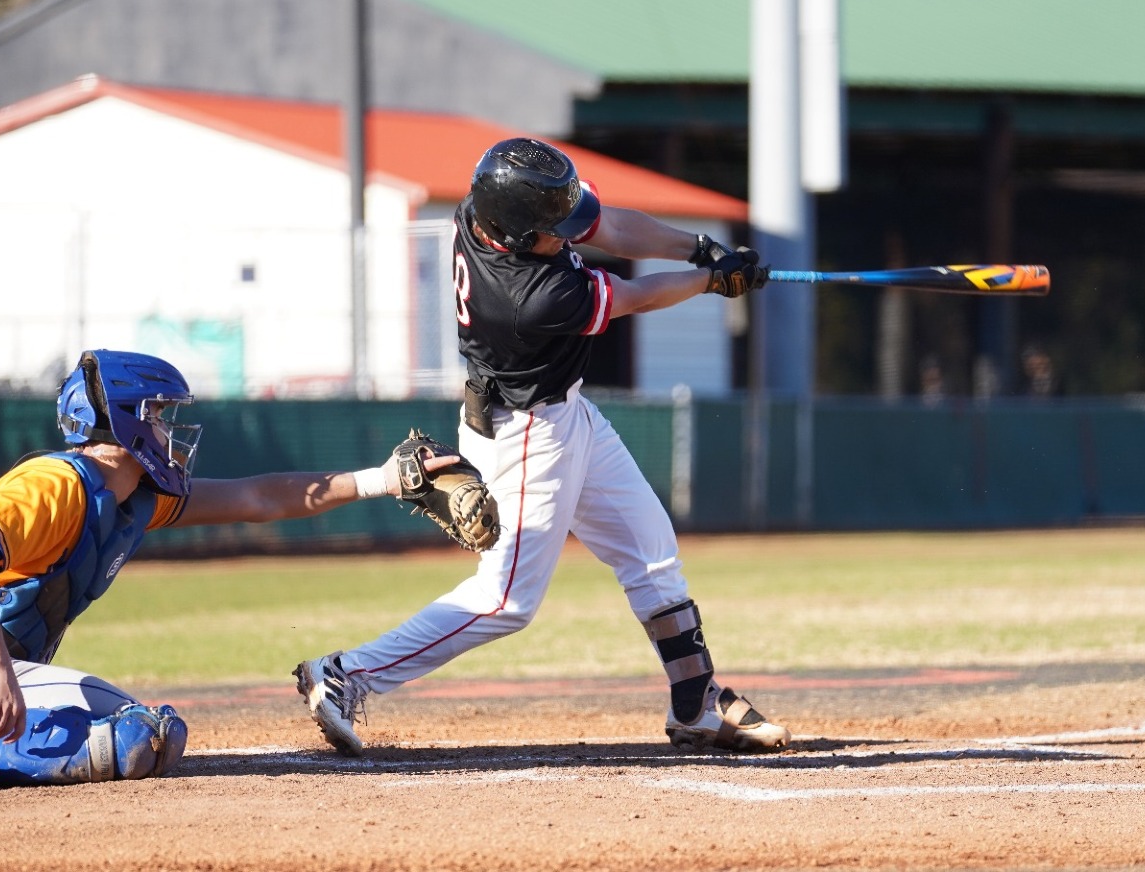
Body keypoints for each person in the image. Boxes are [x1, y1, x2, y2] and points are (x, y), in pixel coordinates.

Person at [295, 137, 789, 757]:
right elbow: (635, 296)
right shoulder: (535, 297)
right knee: (506, 600)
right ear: (520, 233)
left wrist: (699, 247)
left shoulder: (485, 216)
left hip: (564, 410)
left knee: (650, 547)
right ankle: (346, 674)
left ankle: (696, 700)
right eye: (556, 228)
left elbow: (609, 226)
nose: (572, 232)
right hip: (527, 432)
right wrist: (712, 282)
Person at [0, 349, 457, 793]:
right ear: (125, 422)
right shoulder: (58, 483)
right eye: (160, 414)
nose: (171, 431)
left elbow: (258, 498)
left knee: (147, 735)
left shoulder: (130, 496)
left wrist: (382, 479)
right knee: (142, 736)